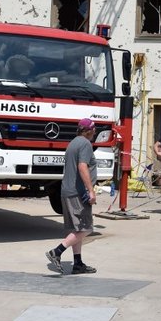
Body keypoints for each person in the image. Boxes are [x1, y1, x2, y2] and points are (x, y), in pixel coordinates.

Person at [46, 118, 98, 276]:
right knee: (85, 228)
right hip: (79, 193)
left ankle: (78, 263)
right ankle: (57, 251)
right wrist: (91, 190)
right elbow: (82, 167)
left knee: (76, 229)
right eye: (94, 129)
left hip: (67, 191)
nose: (95, 132)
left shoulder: (73, 143)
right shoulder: (85, 144)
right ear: (88, 130)